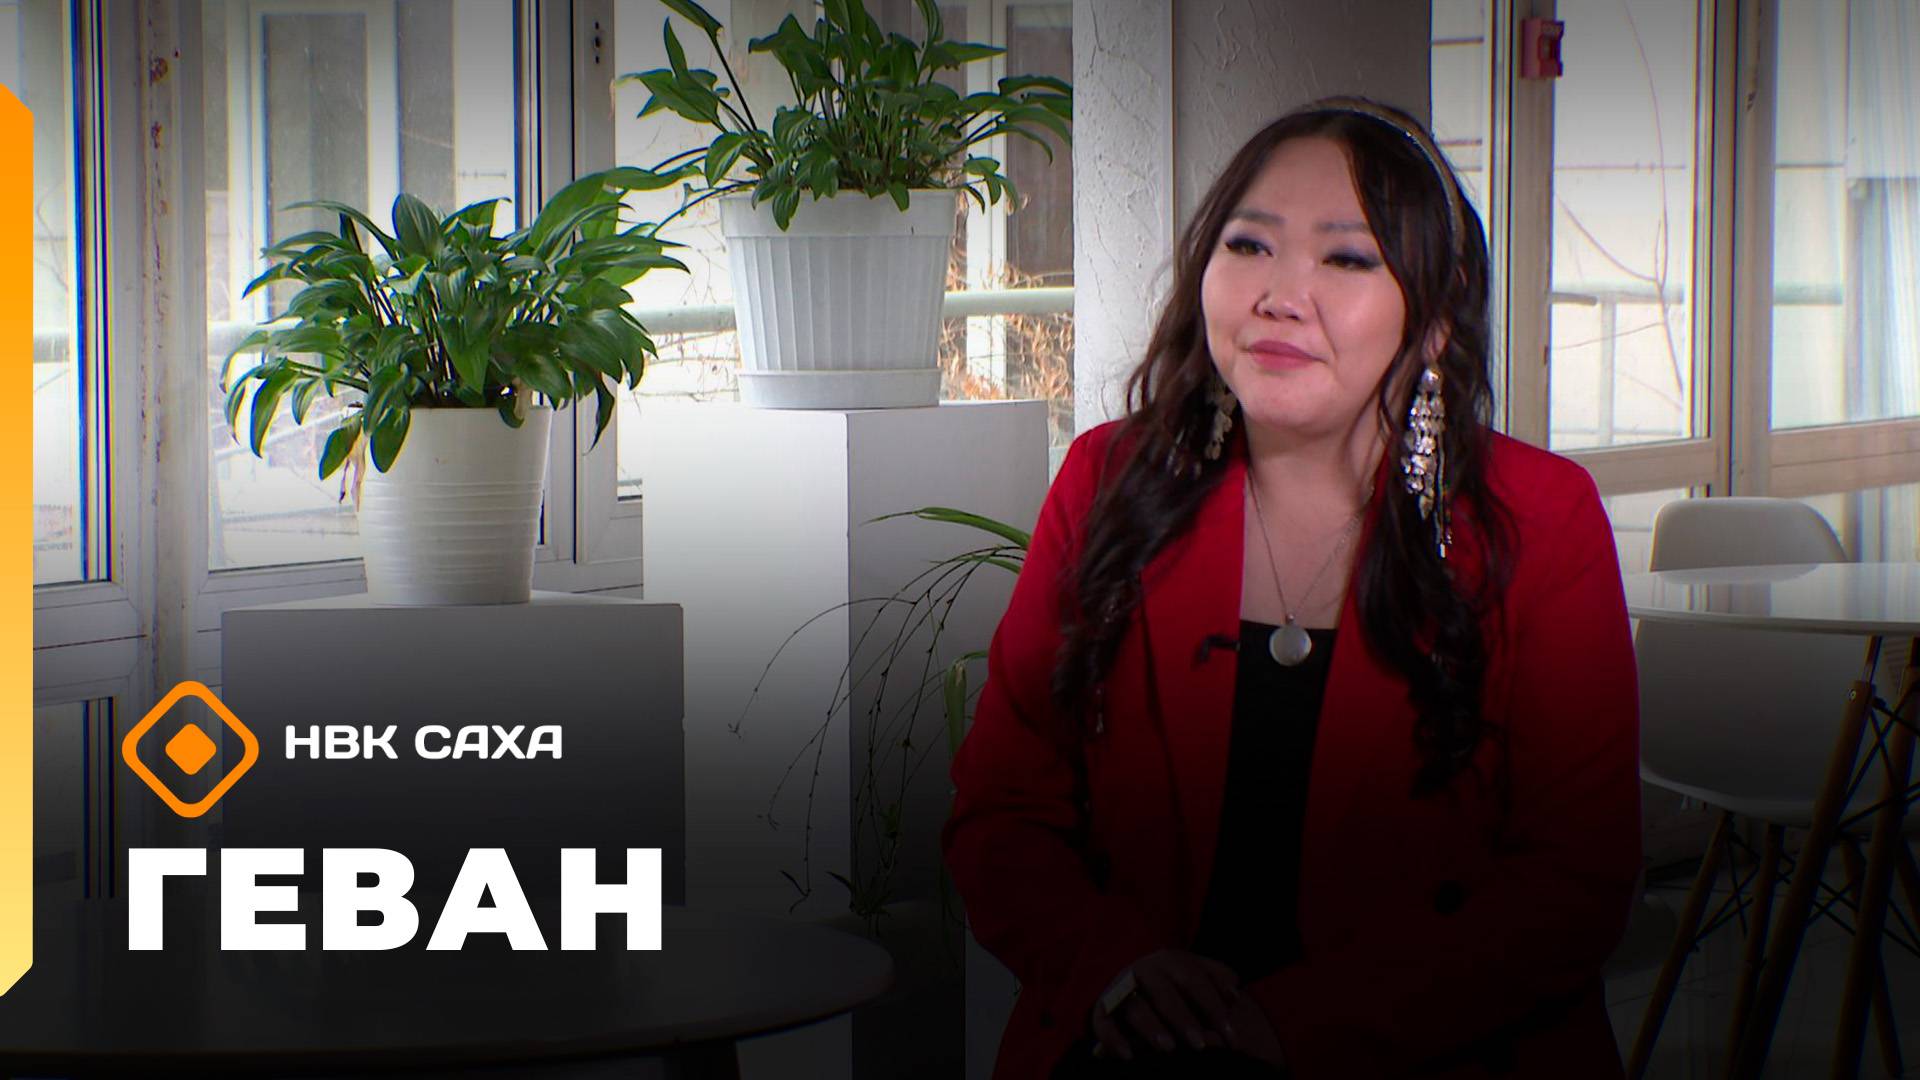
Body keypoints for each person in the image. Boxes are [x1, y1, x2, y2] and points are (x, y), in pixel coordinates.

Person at [941, 97, 1641, 1080]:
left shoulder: (1539, 517)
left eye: (1346, 258)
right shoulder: (1108, 482)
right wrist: (1112, 967)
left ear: (1436, 317)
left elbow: (1574, 883)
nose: (1280, 295)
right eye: (1249, 246)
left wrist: (1292, 1030)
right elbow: (1000, 814)